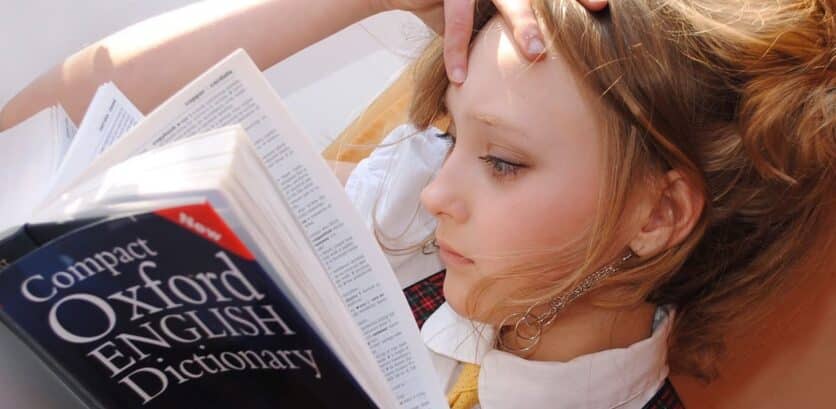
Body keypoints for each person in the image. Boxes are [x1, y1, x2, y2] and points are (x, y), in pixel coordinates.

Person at [1, 1, 833, 409]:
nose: (439, 192)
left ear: (656, 216)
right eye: (449, 137)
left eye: (502, 162)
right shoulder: (395, 246)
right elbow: (32, 140)